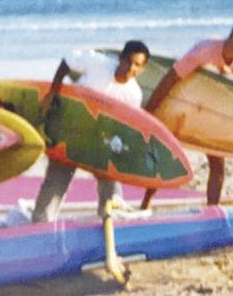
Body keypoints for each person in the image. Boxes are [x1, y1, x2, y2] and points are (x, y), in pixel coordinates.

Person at [140, 15, 233, 209]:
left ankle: (212, 209)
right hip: (189, 100)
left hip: (216, 108)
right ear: (232, 36)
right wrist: (149, 112)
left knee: (217, 161)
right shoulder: (205, 50)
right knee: (166, 151)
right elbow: (172, 78)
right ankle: (146, 204)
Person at [31, 41, 150, 223]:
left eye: (137, 65)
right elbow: (67, 61)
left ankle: (109, 220)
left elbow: (123, 127)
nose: (130, 68)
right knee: (56, 180)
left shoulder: (133, 94)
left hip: (98, 139)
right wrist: (53, 92)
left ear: (143, 69)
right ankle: (40, 223)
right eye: (128, 61)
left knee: (110, 176)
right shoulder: (98, 64)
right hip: (71, 131)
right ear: (120, 58)